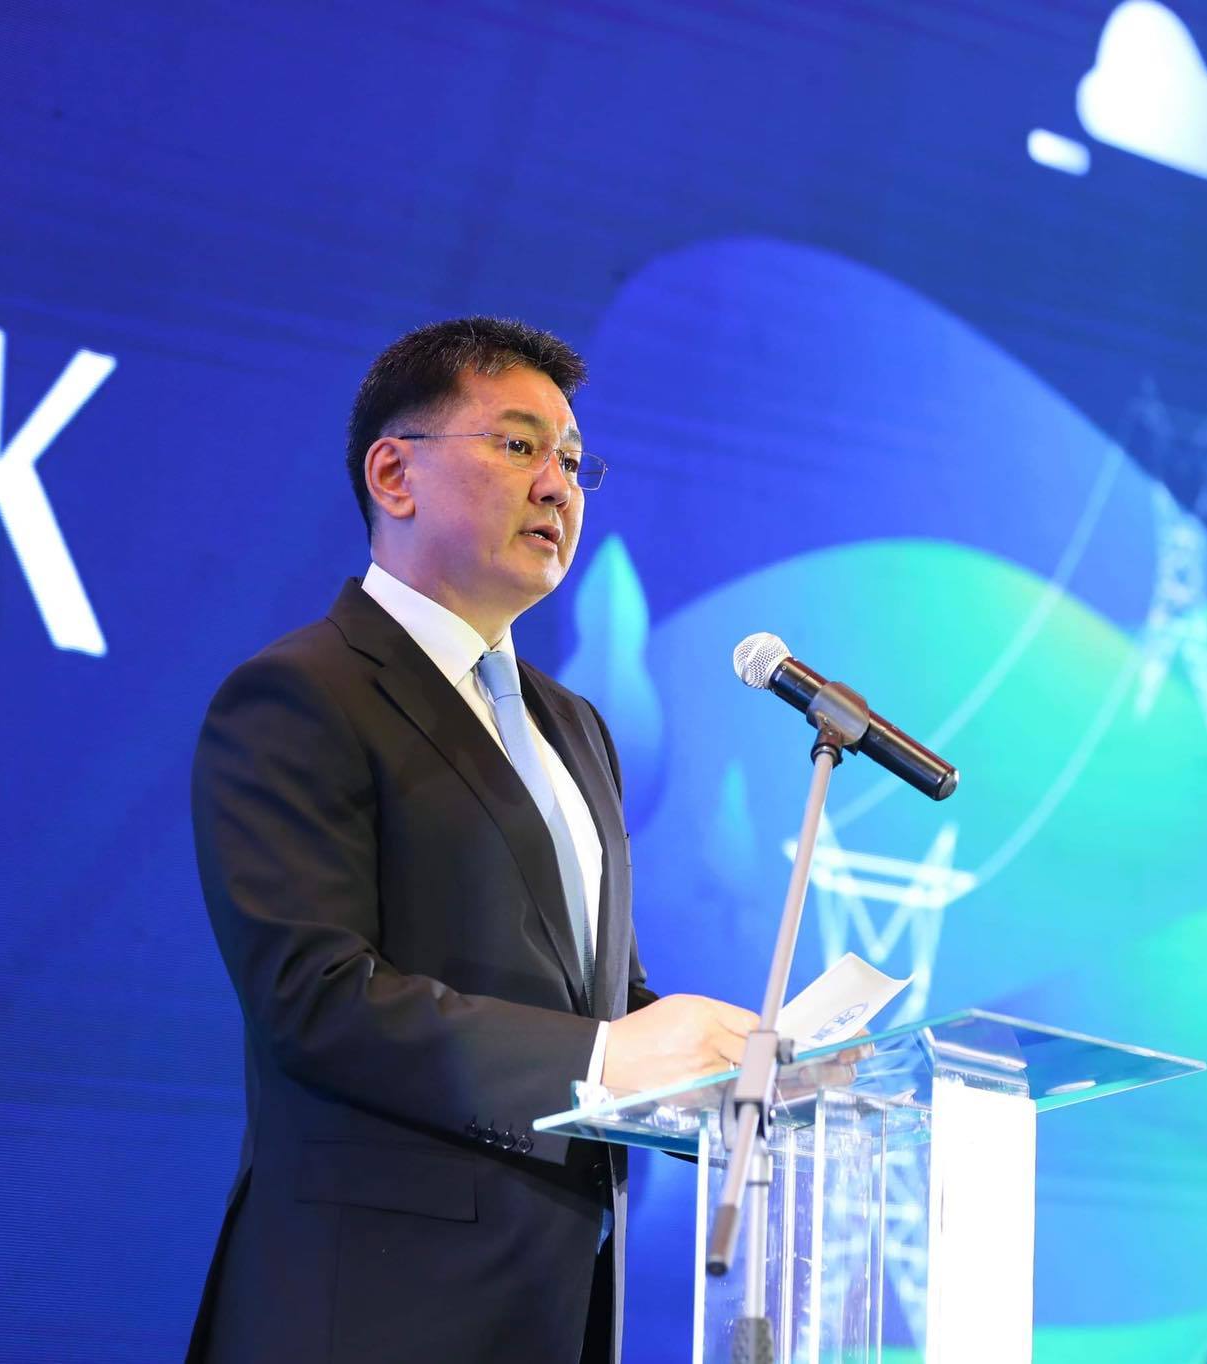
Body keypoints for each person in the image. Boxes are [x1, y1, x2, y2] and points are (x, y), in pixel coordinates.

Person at [186, 317, 757, 1364]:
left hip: (557, 1311)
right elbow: (313, 997)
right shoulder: (300, 695)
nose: (558, 485)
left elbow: (600, 1003)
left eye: (574, 461)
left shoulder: (575, 727)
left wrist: (738, 1073)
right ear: (394, 475)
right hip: (367, 1312)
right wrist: (602, 1057)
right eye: (519, 444)